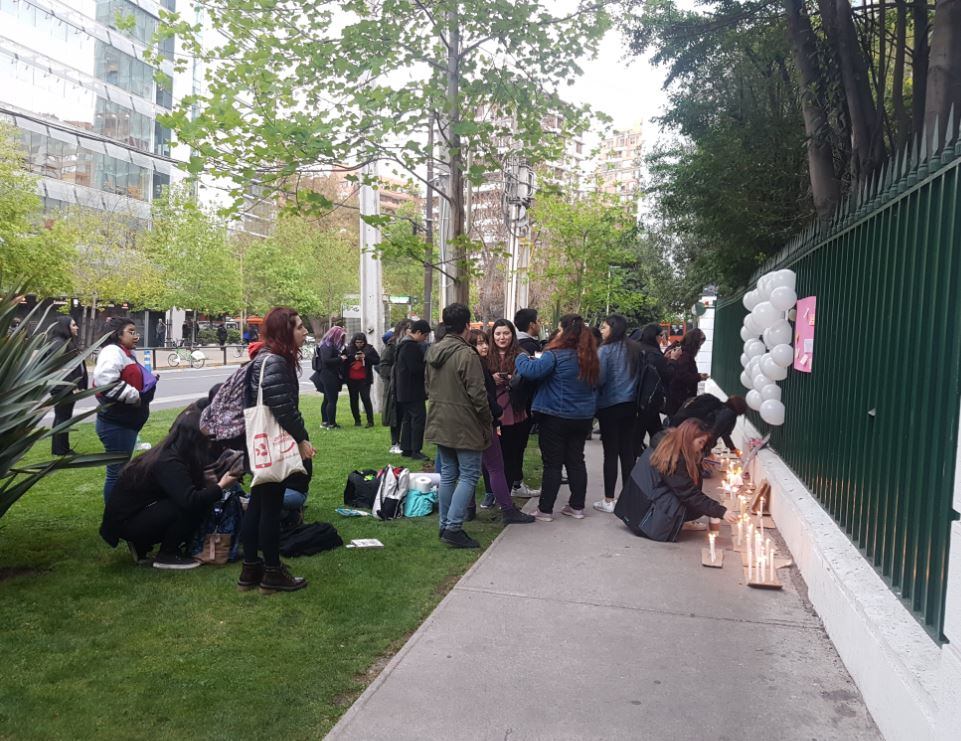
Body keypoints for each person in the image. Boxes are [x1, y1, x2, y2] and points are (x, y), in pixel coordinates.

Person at [100, 405, 240, 569]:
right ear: (194, 439)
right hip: (127, 523)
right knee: (189, 506)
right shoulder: (168, 462)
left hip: (130, 516)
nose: (208, 444)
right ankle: (167, 554)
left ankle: (142, 544)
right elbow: (191, 500)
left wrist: (209, 481)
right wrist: (221, 485)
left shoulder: (169, 452)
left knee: (191, 499)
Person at [237, 307, 316, 593]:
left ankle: (250, 570)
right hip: (272, 443)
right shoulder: (276, 361)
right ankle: (272, 572)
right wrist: (302, 439)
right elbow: (283, 408)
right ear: (285, 331)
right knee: (269, 508)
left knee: (259, 505)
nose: (305, 332)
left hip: (259, 442)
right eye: (299, 327)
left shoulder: (264, 357)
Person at [514, 314, 601, 521]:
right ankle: (577, 507)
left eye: (560, 329)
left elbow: (532, 371)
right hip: (582, 417)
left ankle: (545, 510)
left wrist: (520, 357)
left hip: (555, 416)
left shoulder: (555, 355)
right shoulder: (590, 358)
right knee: (576, 461)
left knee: (552, 464)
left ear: (565, 332)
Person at [426, 304, 494, 547]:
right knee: (468, 474)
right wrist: (487, 419)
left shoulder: (433, 350)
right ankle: (453, 527)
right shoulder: (467, 354)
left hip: (440, 419)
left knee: (448, 474)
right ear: (467, 326)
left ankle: (445, 524)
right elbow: (478, 394)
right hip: (465, 423)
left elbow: (428, 387)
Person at [613, 419, 738, 541]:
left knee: (694, 495)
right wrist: (721, 512)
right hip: (643, 518)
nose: (701, 447)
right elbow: (689, 493)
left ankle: (678, 520)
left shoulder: (667, 441)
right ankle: (675, 522)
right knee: (694, 504)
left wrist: (698, 462)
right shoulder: (672, 457)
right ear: (689, 438)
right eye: (700, 442)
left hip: (632, 508)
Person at [467, 329, 535, 524]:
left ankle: (468, 510)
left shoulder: (470, 362)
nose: (484, 346)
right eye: (479, 343)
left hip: (469, 422)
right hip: (482, 421)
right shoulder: (477, 365)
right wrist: (495, 415)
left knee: (470, 469)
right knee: (493, 466)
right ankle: (507, 509)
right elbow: (482, 397)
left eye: (484, 342)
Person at [93, 317, 157, 502]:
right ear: (117, 334)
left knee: (120, 470)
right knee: (116, 473)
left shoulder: (124, 352)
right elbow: (105, 381)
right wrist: (135, 396)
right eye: (131, 332)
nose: (136, 336)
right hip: (116, 425)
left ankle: (118, 510)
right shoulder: (112, 351)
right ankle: (114, 515)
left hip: (124, 423)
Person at [592, 314, 641, 513]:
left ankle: (609, 499)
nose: (601, 331)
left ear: (613, 328)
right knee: (627, 452)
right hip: (630, 405)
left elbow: (600, 379)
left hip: (609, 406)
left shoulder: (605, 350)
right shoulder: (634, 349)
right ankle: (628, 498)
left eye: (604, 327)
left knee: (610, 453)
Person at [486, 319, 539, 499]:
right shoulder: (486, 355)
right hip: (492, 409)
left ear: (512, 335)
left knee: (513, 453)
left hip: (516, 409)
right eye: (498, 333)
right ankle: (492, 492)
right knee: (492, 455)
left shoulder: (521, 355)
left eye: (506, 333)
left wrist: (513, 379)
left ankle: (509, 490)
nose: (502, 337)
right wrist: (491, 379)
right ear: (493, 336)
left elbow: (531, 380)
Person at [47, 316, 88, 456]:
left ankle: (60, 448)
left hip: (65, 387)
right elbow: (61, 368)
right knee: (62, 417)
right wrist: (72, 386)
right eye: (73, 325)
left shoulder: (65, 342)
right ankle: (61, 450)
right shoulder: (58, 344)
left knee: (62, 416)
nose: (77, 327)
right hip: (63, 388)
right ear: (65, 327)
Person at [633, 323, 672, 454]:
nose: (662, 338)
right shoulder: (654, 353)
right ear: (654, 336)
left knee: (652, 430)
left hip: (636, 397)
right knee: (646, 434)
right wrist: (672, 361)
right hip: (649, 399)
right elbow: (666, 375)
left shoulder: (636, 348)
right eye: (661, 335)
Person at [394, 319, 431, 461]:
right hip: (413, 391)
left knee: (408, 419)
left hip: (404, 390)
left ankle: (407, 448)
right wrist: (426, 365)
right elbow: (415, 368)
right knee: (418, 419)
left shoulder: (403, 344)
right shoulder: (411, 347)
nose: (425, 339)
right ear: (419, 333)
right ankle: (416, 450)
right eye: (425, 335)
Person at [670, 393, 748, 454]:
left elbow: (724, 434)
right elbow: (712, 434)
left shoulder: (717, 406)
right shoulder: (728, 415)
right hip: (689, 438)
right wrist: (706, 454)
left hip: (677, 427)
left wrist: (732, 448)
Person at [378, 319, 410, 454]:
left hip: (407, 386)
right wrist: (397, 373)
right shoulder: (391, 346)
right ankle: (395, 442)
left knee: (406, 416)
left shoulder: (409, 345)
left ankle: (406, 442)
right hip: (394, 387)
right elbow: (383, 367)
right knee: (395, 415)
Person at [664, 328, 707, 417]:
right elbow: (682, 375)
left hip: (676, 395)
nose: (699, 347)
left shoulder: (679, 349)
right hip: (680, 397)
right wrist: (699, 377)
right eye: (699, 344)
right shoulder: (684, 354)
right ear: (694, 342)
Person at [312, 326, 347, 429]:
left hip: (326, 374)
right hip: (329, 375)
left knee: (327, 399)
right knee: (332, 400)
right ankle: (332, 424)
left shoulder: (325, 344)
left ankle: (325, 422)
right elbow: (326, 360)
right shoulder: (328, 345)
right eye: (341, 337)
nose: (342, 339)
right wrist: (340, 358)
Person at [343, 332, 380, 427]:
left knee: (366, 398)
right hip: (352, 378)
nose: (359, 344)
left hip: (365, 378)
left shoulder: (369, 349)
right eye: (357, 342)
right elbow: (343, 362)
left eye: (361, 342)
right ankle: (357, 420)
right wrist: (353, 358)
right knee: (353, 399)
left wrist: (365, 357)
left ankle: (370, 421)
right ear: (354, 342)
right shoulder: (348, 349)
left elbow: (377, 360)